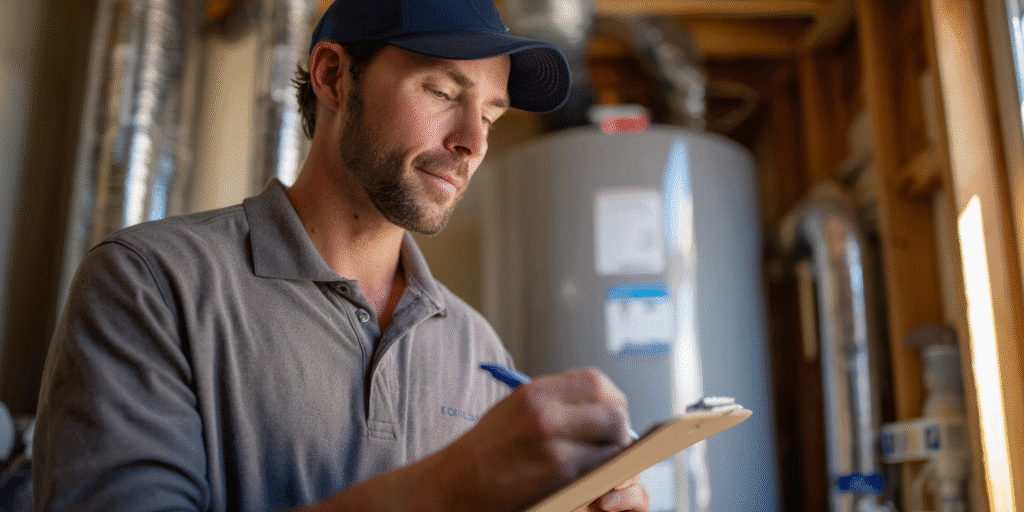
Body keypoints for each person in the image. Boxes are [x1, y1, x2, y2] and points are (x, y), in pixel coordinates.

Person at [33, 0, 650, 510]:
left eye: (490, 114)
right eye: (441, 91)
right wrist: (445, 488)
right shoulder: (150, 283)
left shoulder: (476, 350)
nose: (472, 143)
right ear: (332, 76)